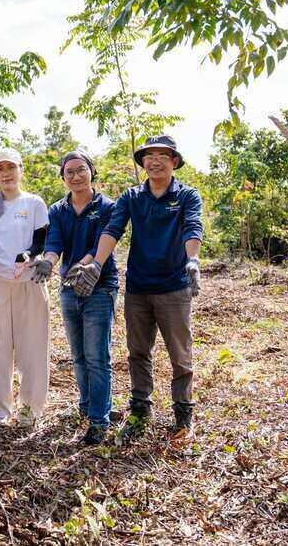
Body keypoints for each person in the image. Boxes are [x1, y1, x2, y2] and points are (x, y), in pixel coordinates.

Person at [77, 135, 203, 442]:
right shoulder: (132, 197)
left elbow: (192, 227)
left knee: (180, 355)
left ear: (174, 161)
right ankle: (140, 411)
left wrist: (193, 260)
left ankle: (183, 413)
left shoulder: (187, 195)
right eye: (149, 155)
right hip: (138, 288)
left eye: (163, 155)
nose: (155, 161)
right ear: (143, 162)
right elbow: (113, 230)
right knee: (138, 352)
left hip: (174, 287)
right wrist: (96, 263)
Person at [0, 147, 51, 428]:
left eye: (11, 167)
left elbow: (41, 240)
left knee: (33, 349)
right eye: (0, 169)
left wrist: (28, 255)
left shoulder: (34, 203)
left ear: (21, 170)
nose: (6, 174)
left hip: (30, 284)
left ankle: (29, 411)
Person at [42, 149, 118, 445]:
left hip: (100, 287)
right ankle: (86, 406)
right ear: (63, 178)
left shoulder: (107, 207)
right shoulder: (57, 210)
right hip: (69, 289)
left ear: (91, 172)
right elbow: (54, 243)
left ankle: (99, 420)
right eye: (69, 172)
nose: (75, 176)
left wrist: (83, 265)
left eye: (81, 169)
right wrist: (48, 262)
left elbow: (101, 243)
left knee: (97, 356)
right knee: (79, 355)